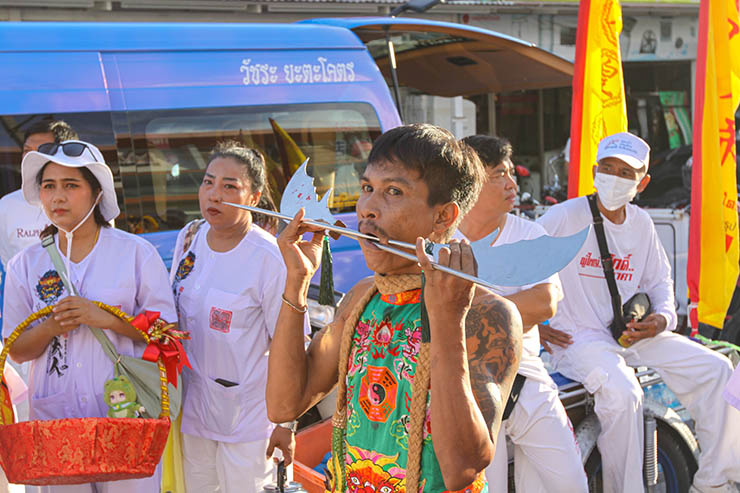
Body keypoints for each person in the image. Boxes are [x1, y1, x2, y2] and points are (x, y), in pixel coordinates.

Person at [267, 124, 522, 492]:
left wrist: (447, 321)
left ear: (443, 217)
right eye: (368, 188)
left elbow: (462, 468)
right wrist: (296, 281)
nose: (368, 208)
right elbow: (283, 405)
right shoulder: (362, 298)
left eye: (393, 192)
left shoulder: (485, 313)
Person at [537, 131, 740, 493]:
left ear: (642, 182)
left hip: (632, 335)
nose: (614, 178)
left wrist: (661, 319)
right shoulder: (563, 217)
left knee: (718, 369)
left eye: (626, 173)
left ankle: (715, 481)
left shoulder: (642, 224)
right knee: (624, 394)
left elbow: (661, 284)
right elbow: (520, 268)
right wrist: (533, 326)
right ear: (595, 171)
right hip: (579, 338)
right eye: (608, 168)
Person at [2, 140, 176, 493]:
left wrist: (106, 319)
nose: (57, 197)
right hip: (57, 419)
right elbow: (16, 350)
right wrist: (52, 326)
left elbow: (168, 334)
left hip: (125, 415)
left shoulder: (135, 253)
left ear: (97, 194)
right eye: (48, 186)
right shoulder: (25, 264)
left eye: (71, 185)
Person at [171, 141, 308, 493]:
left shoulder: (270, 257)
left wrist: (286, 423)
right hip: (193, 412)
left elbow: (292, 345)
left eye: (230, 186)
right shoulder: (189, 239)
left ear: (254, 196)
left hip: (251, 422)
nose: (214, 195)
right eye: (208, 182)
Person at [456, 135, 587, 492]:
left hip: (526, 377)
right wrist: (509, 309)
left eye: (510, 173)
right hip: (463, 385)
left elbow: (546, 302)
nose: (513, 184)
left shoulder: (529, 233)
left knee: (572, 483)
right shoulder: (443, 238)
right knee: (486, 487)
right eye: (499, 174)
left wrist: (466, 313)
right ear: (470, 180)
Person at [0, 120, 78, 269]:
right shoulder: (6, 206)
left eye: (42, 151)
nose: (31, 159)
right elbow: (9, 264)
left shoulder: (87, 200)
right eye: (27, 151)